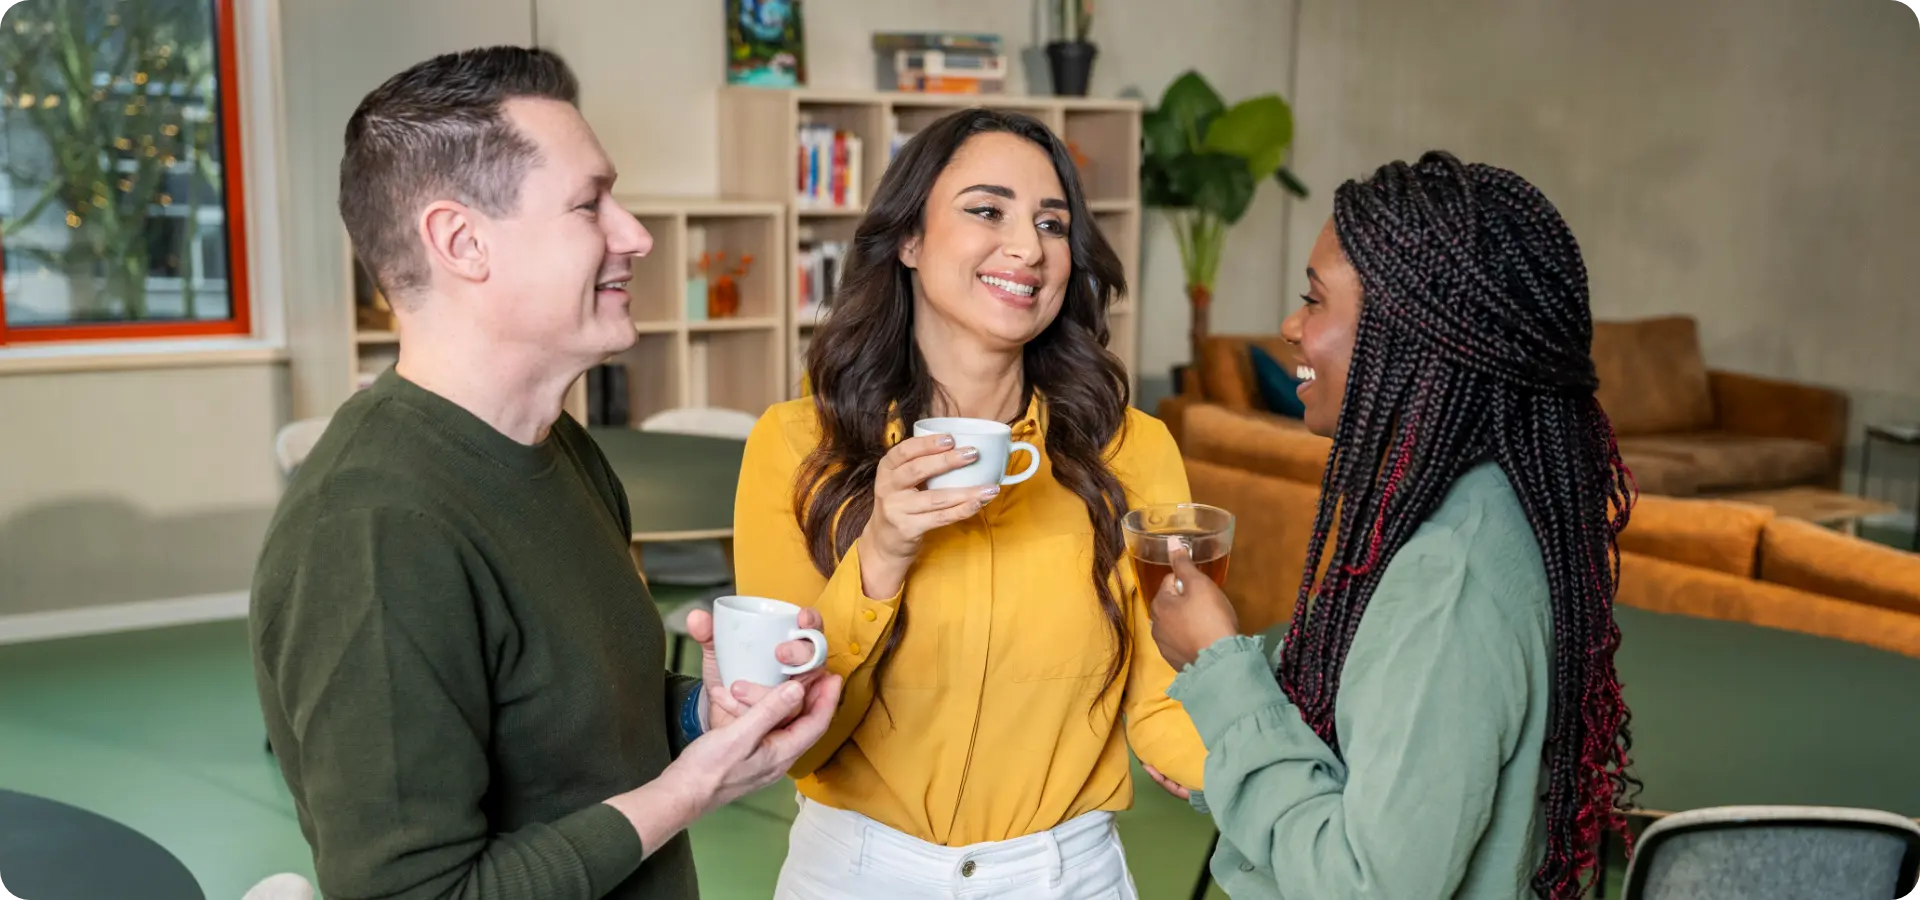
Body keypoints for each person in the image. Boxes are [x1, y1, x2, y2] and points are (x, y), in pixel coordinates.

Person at [250, 46, 841, 900]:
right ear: (462, 242)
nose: (635, 235)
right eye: (589, 205)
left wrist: (701, 717)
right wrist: (689, 792)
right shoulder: (373, 531)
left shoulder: (561, 449)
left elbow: (575, 726)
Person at [730, 108, 1207, 898]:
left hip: (1067, 877)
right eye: (988, 210)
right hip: (855, 874)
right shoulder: (794, 447)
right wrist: (881, 552)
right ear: (909, 240)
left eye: (1052, 224)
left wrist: (1280, 777)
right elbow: (796, 740)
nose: (1028, 247)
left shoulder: (1135, 451)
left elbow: (1164, 702)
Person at [1143, 151, 1639, 900]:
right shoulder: (1486, 506)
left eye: (1314, 301)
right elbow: (1394, 794)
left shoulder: (1447, 583)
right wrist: (1234, 756)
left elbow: (1365, 886)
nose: (1289, 325)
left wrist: (1220, 665)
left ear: (1411, 334)